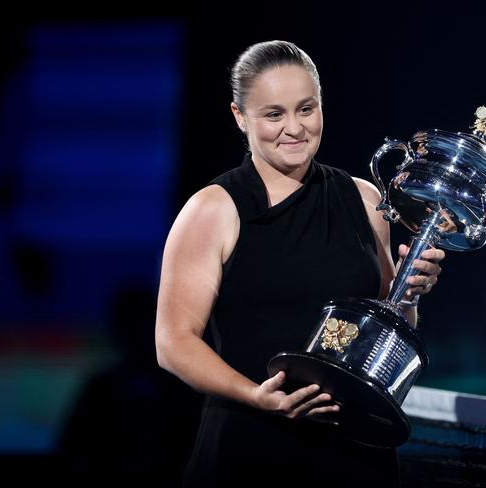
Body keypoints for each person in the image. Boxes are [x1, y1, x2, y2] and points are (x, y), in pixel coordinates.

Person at [155, 40, 445, 487]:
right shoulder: (214, 209)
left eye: (306, 109)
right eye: (274, 114)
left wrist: (410, 294)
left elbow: (391, 330)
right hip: (250, 450)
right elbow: (173, 343)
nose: (294, 128)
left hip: (355, 456)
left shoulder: (366, 200)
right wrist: (256, 396)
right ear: (239, 117)